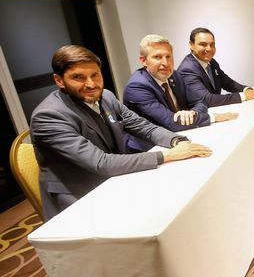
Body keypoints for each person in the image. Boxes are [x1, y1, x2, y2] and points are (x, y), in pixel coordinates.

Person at [30, 45, 212, 220]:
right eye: (79, 77)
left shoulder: (107, 96)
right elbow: (101, 163)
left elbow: (143, 126)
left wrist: (176, 141)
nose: (91, 84)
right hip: (79, 200)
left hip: (114, 181)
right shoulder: (48, 116)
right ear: (59, 80)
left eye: (95, 75)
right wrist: (168, 155)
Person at [123, 34, 238, 151]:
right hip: (150, 148)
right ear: (143, 61)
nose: (166, 63)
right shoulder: (136, 87)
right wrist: (212, 117)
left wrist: (192, 113)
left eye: (168, 56)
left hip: (179, 137)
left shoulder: (175, 75)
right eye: (158, 57)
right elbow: (171, 122)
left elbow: (199, 102)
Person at [177, 27, 254, 106]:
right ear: (191, 45)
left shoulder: (211, 62)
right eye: (203, 44)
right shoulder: (187, 69)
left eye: (212, 45)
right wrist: (243, 96)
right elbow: (206, 100)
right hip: (199, 121)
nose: (209, 49)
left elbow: (227, 82)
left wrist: (246, 90)